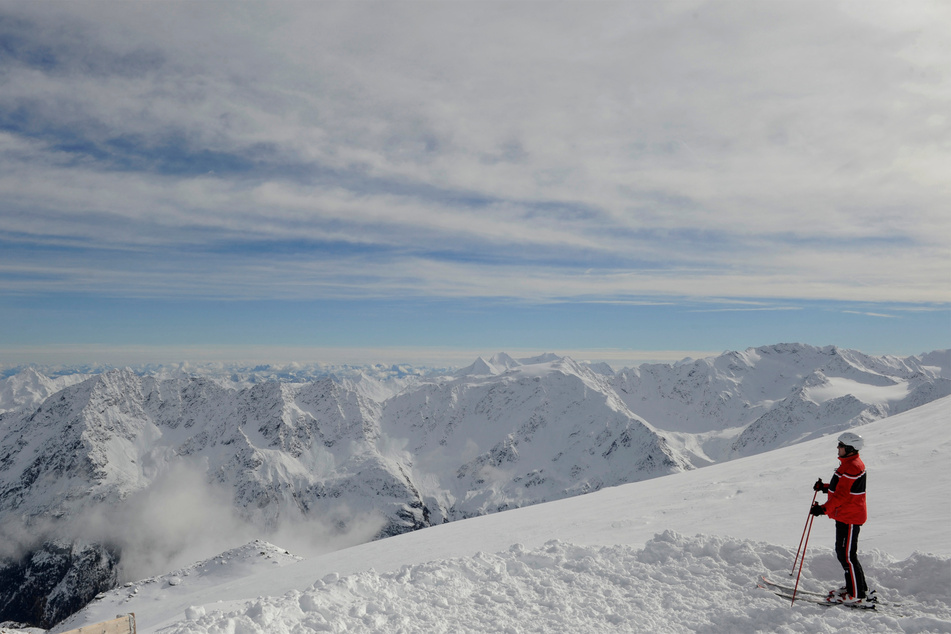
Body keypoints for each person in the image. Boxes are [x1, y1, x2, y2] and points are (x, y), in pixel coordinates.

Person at [811, 431, 875, 608]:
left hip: (850, 516)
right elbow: (841, 488)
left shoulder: (853, 466)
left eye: (840, 445)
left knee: (846, 556)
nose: (837, 448)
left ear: (849, 448)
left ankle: (856, 594)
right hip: (846, 515)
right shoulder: (848, 464)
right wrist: (824, 487)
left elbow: (842, 496)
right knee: (846, 555)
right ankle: (857, 589)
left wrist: (823, 509)